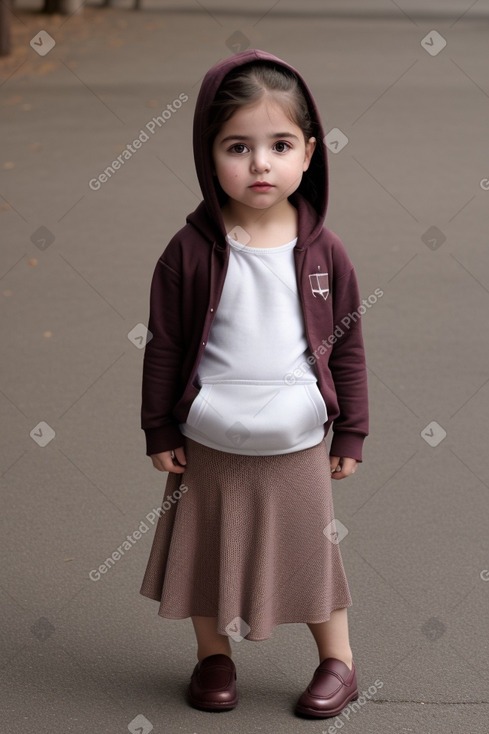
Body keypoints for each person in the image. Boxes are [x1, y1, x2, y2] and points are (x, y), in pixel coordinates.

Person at [139, 49, 368, 719]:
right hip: (209, 432)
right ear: (209, 156)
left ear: (308, 153)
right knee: (206, 550)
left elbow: (347, 344)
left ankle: (338, 661)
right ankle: (213, 657)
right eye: (238, 146)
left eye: (279, 145)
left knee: (310, 555)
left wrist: (349, 428)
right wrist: (159, 425)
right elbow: (165, 344)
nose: (260, 163)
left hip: (295, 434)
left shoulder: (325, 251)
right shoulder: (188, 252)